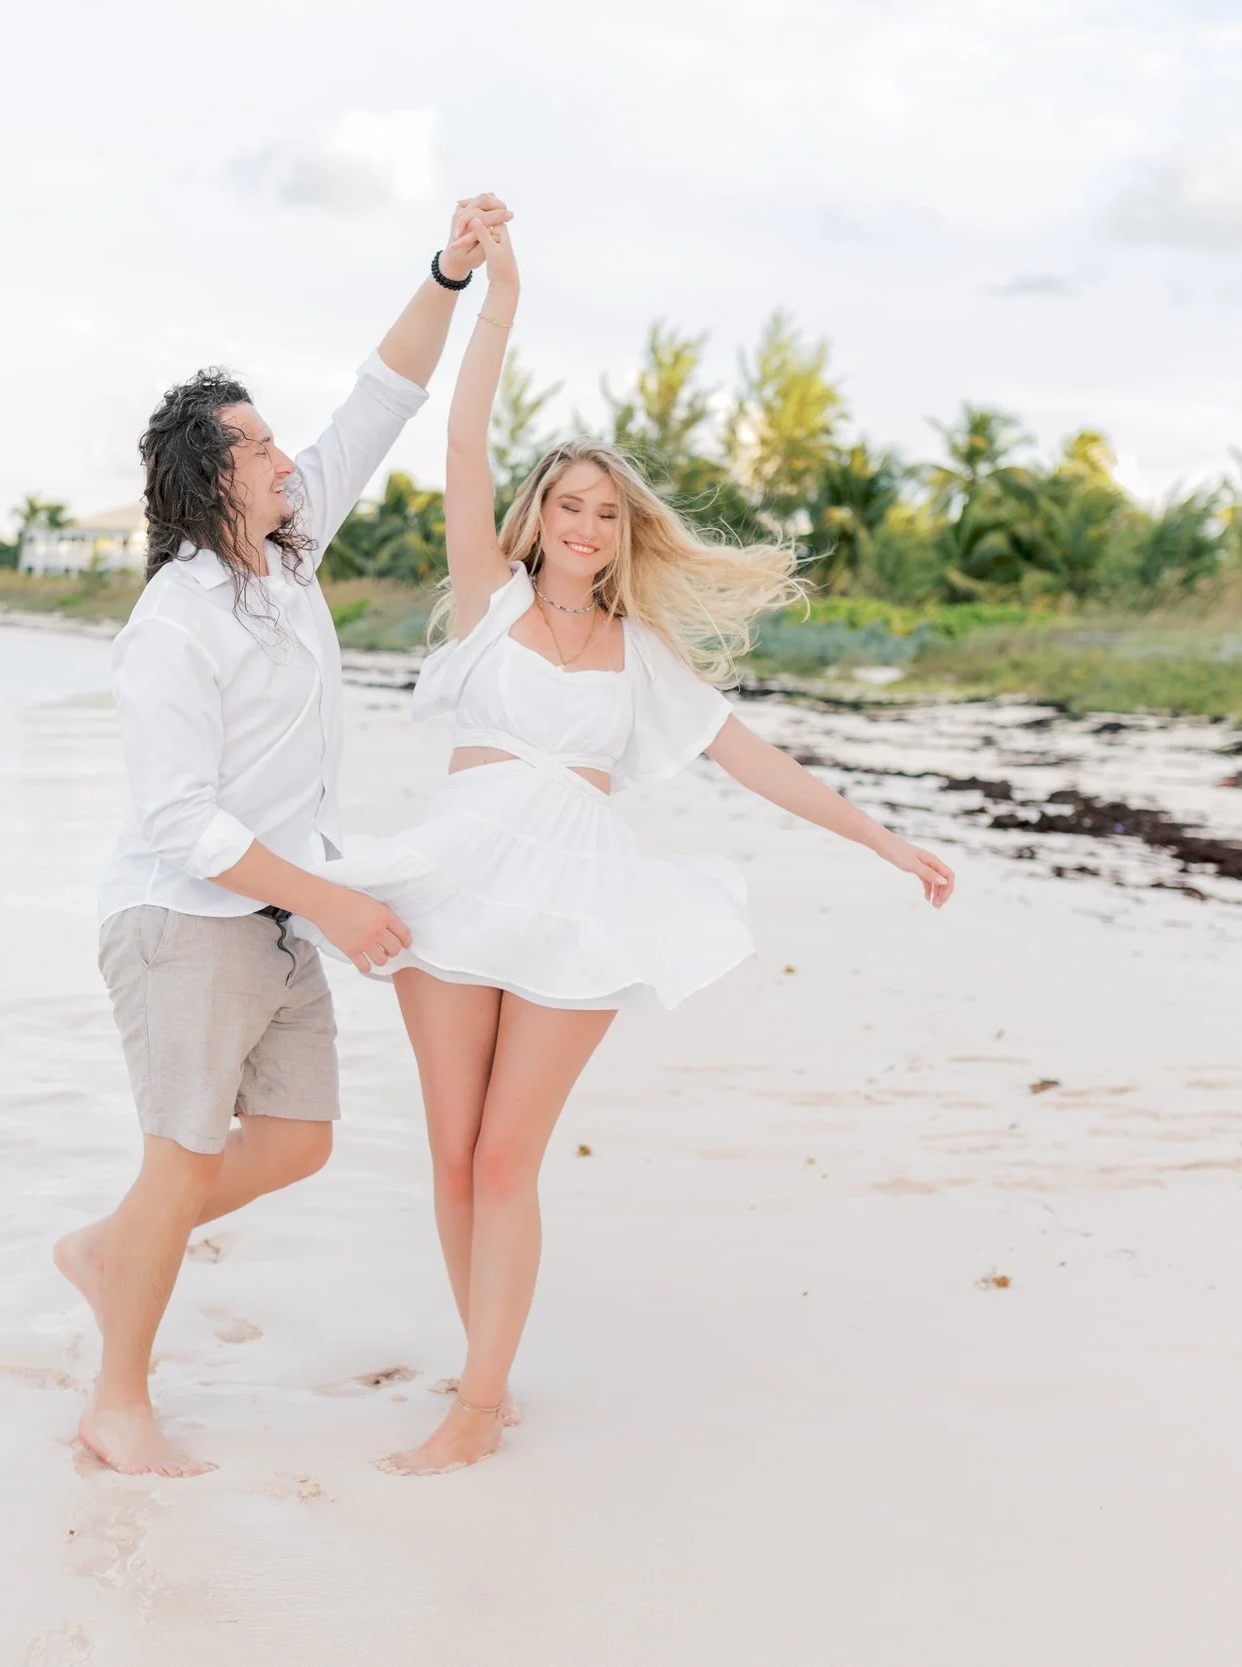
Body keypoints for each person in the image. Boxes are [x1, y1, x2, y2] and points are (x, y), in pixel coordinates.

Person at [312, 214, 958, 1476]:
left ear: (624, 530)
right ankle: (480, 1365)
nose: (586, 525)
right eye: (569, 503)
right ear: (538, 513)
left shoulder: (640, 659)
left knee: (508, 1155)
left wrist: (883, 838)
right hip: (452, 886)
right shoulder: (488, 601)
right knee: (452, 1156)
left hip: (573, 904)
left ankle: (478, 1404)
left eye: (607, 512)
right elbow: (461, 432)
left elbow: (752, 759)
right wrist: (494, 293)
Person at [54, 196, 512, 1477]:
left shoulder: (288, 566)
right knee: (181, 1155)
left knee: (297, 1143)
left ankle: (112, 1247)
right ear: (210, 477)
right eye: (256, 445)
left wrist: (449, 273)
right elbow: (182, 823)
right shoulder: (174, 622)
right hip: (184, 921)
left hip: (274, 914)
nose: (281, 458)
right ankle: (118, 1404)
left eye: (269, 441)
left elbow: (381, 399)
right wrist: (333, 900)